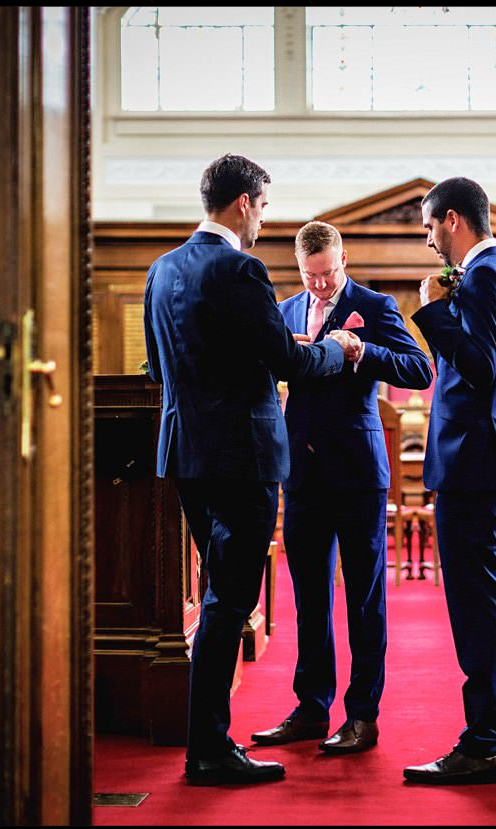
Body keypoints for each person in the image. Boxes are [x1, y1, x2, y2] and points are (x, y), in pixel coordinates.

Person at [143, 154, 362, 786]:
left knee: (218, 597)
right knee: (228, 602)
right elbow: (282, 360)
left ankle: (207, 741)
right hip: (241, 458)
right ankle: (208, 748)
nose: (263, 220)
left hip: (185, 454)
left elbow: (159, 370)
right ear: (244, 202)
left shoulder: (162, 270)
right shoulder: (241, 267)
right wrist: (338, 350)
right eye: (263, 207)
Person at [252, 221, 433, 754]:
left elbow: (419, 369)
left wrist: (360, 354)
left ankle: (362, 716)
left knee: (364, 598)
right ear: (298, 268)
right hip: (301, 474)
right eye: (310, 276)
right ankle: (311, 708)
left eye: (328, 273)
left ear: (343, 259)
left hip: (357, 472)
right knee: (309, 597)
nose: (321, 286)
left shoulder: (374, 306)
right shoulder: (284, 311)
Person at [402, 177, 496, 785]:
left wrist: (432, 309)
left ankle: (483, 742)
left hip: (474, 467)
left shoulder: (484, 275)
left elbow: (481, 367)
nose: (431, 242)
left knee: (479, 607)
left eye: (431, 229)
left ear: (453, 219)